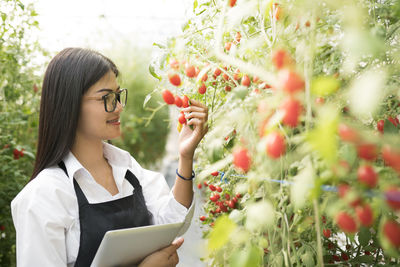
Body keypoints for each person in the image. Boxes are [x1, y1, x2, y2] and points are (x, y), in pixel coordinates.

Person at [10, 47, 208, 267]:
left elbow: (171, 222)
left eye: (118, 95)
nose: (119, 107)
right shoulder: (44, 196)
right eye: (107, 97)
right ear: (70, 104)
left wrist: (185, 156)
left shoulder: (127, 168)